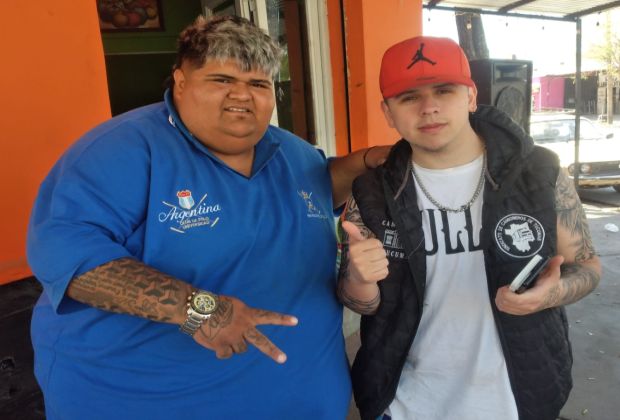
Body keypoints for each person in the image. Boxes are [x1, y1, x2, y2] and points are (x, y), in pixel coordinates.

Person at [27, 15, 386, 420]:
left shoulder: (291, 151)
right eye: (221, 79)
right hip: (151, 400)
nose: (241, 95)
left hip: (303, 396)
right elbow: (69, 265)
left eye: (258, 84)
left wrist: (363, 163)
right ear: (180, 81)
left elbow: (314, 190)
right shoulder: (119, 150)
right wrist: (198, 309)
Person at [337, 36, 601, 420]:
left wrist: (551, 293)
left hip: (516, 397)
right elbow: (360, 302)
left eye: (444, 91)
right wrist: (360, 279)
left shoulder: (538, 173)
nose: (429, 107)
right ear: (388, 112)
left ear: (471, 97)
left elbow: (588, 265)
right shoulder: (371, 192)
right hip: (404, 400)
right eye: (409, 97)